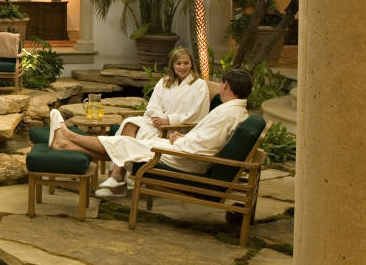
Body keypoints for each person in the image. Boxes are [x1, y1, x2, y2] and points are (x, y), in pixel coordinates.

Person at [47, 69, 252, 181]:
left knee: (125, 144)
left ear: (225, 86)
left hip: (186, 160)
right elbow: (207, 141)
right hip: (185, 151)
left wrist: (179, 142)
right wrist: (183, 138)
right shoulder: (235, 112)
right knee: (125, 146)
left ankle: (68, 136)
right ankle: (65, 143)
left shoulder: (227, 114)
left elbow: (206, 145)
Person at [96, 47, 209, 195]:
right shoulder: (165, 82)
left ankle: (120, 177)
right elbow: (154, 104)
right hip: (157, 123)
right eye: (178, 63)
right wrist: (157, 117)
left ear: (192, 64)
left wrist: (169, 120)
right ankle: (118, 175)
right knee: (130, 123)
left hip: (179, 129)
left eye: (186, 63)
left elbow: (197, 114)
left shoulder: (199, 85)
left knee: (139, 132)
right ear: (172, 66)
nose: (182, 67)